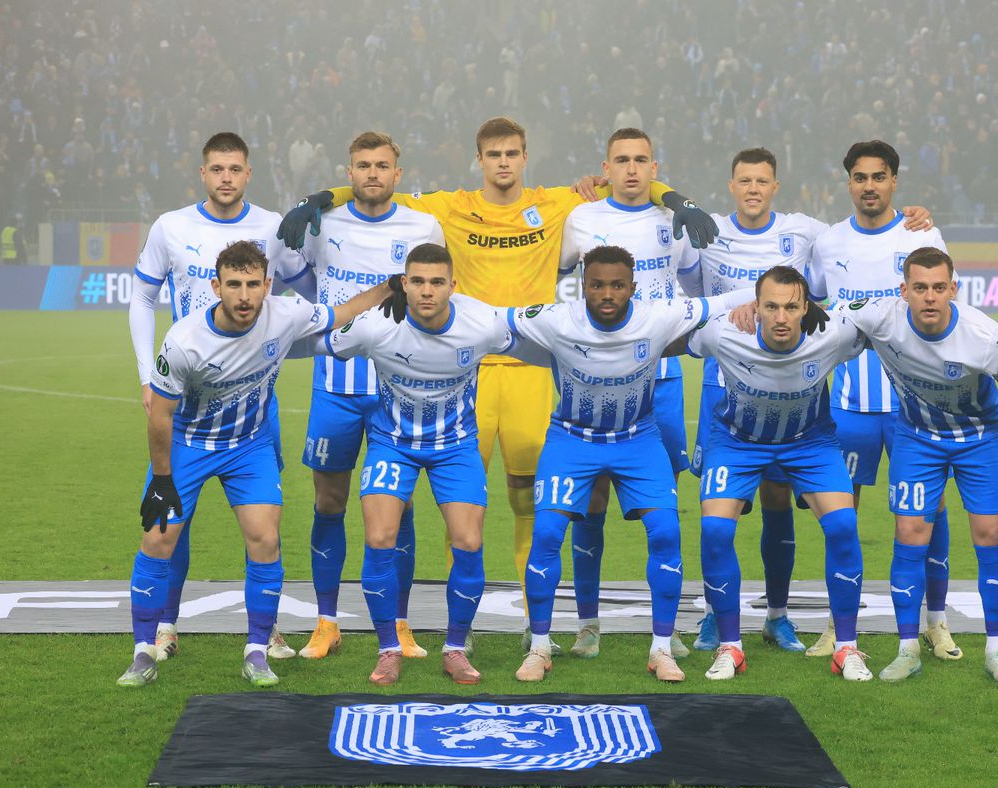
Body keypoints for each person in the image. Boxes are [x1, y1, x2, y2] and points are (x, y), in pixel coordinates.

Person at [279, 116, 718, 647]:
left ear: (524, 157)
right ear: (480, 159)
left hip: (530, 368)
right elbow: (377, 184)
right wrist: (325, 195)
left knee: (531, 497)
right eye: (494, 154)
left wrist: (683, 201)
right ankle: (453, 621)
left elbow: (637, 180)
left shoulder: (560, 203)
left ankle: (538, 626)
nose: (503, 162)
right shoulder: (448, 206)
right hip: (467, 367)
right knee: (457, 500)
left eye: (512, 153)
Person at [117, 241, 388, 687]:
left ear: (267, 285)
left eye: (252, 285)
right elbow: (160, 415)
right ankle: (143, 650)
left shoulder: (285, 312)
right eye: (234, 285)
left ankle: (257, 651)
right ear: (216, 286)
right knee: (157, 540)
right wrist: (162, 479)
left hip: (249, 446)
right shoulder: (184, 341)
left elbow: (339, 314)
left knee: (265, 539)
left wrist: (388, 289)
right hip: (190, 444)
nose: (244, 297)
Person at [507, 245, 756, 684]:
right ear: (582, 285)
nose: (607, 294)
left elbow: (719, 302)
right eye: (598, 285)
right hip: (571, 439)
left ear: (632, 288)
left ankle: (661, 649)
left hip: (637, 439)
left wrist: (763, 297)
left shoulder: (656, 316)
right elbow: (492, 321)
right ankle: (541, 646)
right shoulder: (556, 319)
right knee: (546, 531)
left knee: (666, 531)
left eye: (617, 286)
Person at [308, 244, 536, 686]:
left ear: (453, 285)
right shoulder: (376, 326)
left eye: (436, 282)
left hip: (456, 446)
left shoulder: (480, 322)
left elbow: (540, 346)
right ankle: (388, 649)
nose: (426, 291)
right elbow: (320, 343)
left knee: (468, 541)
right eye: (417, 281)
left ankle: (455, 648)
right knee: (379, 536)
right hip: (393, 444)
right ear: (404, 284)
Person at [129, 132, 314, 664]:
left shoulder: (273, 228)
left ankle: (267, 628)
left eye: (235, 168)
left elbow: (309, 293)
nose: (226, 177)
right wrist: (147, 375)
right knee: (171, 515)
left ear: (248, 173)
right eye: (217, 169)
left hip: (254, 396)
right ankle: (165, 623)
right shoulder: (172, 227)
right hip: (187, 393)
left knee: (264, 521)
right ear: (203, 173)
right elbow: (143, 297)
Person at [840, 247, 998, 684]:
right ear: (903, 291)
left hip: (980, 440)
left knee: (990, 536)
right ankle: (907, 648)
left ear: (954, 289)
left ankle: (997, 652)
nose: (929, 297)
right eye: (919, 288)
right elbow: (819, 318)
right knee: (910, 534)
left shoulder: (985, 337)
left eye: (938, 288)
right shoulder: (880, 317)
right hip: (916, 438)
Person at [295, 132, 445, 662]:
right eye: (363, 165)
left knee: (397, 508)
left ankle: (400, 625)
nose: (373, 173)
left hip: (395, 390)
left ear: (397, 174)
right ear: (349, 172)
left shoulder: (422, 225)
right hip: (335, 387)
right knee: (328, 501)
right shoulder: (326, 224)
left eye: (383, 165)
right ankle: (326, 622)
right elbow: (306, 289)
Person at [682, 266, 871, 681]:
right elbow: (674, 337)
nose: (781, 317)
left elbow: (882, 326)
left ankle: (847, 647)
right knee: (715, 532)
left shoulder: (833, 334)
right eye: (771, 307)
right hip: (737, 441)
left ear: (806, 307)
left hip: (810, 442)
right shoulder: (724, 334)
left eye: (791, 307)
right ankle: (731, 647)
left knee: (843, 526)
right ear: (756, 306)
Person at [805, 140, 956, 660]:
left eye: (880, 176)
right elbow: (814, 302)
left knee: (927, 515)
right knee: (840, 519)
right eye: (860, 177)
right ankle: (835, 624)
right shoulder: (828, 243)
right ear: (848, 182)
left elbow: (943, 309)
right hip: (848, 406)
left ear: (894, 182)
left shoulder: (922, 234)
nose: (869, 185)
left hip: (914, 407)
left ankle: (935, 622)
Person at [555, 127, 700, 659]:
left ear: (654, 167)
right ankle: (588, 624)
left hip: (660, 383)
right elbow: (555, 274)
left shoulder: (673, 220)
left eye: (641, 160)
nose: (633, 169)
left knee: (661, 509)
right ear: (605, 167)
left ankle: (670, 626)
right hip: (595, 381)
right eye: (622, 160)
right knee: (589, 505)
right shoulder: (582, 218)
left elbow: (693, 285)